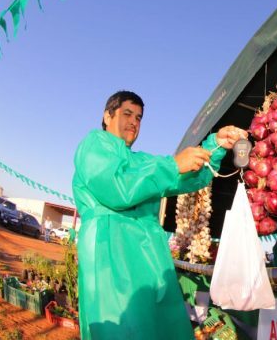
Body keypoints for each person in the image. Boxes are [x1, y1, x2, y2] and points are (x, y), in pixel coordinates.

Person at [72, 90, 247, 339]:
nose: (134, 122)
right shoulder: (94, 146)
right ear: (107, 116)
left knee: (158, 328)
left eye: (140, 117)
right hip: (112, 254)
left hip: (149, 257)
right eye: (128, 114)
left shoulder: (141, 161)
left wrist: (216, 144)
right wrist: (173, 165)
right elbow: (116, 188)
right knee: (121, 328)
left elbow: (186, 177)